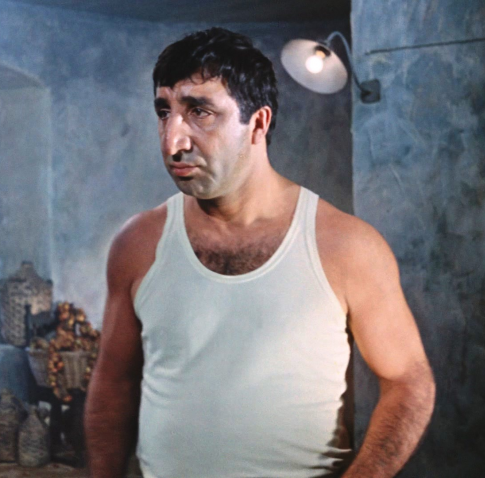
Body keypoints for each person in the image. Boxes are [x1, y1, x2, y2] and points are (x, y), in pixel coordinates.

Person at [84, 27, 435, 478]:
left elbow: (409, 381)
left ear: (258, 123)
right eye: (164, 112)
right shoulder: (138, 243)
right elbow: (113, 383)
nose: (173, 142)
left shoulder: (346, 246)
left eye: (199, 112)